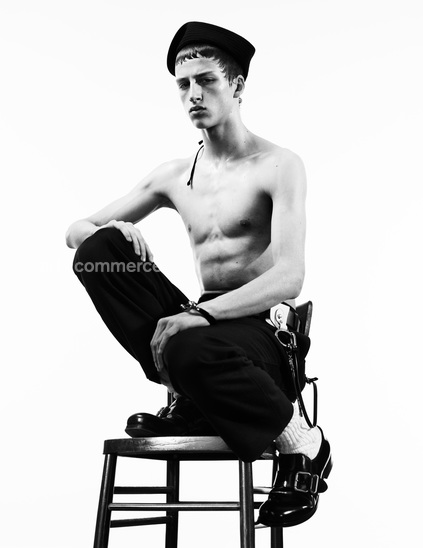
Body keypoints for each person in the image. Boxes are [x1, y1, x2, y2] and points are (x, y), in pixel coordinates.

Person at [66, 21, 332, 526]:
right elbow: (77, 232)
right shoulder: (174, 175)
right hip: (199, 325)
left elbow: (289, 277)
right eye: (184, 85)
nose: (193, 95)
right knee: (99, 251)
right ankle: (192, 393)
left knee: (188, 343)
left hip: (261, 331)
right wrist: (116, 228)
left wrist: (200, 316)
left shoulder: (278, 165)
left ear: (237, 85)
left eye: (207, 80)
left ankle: (304, 443)